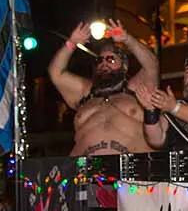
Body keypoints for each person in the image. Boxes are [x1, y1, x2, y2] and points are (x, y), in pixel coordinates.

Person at [48, 19, 159, 156]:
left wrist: (127, 39)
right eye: (99, 60)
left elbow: (151, 65)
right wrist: (72, 42)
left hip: (131, 167)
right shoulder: (85, 92)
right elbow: (55, 72)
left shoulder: (136, 89)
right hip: (85, 168)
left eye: (111, 59)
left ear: (124, 66)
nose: (104, 64)